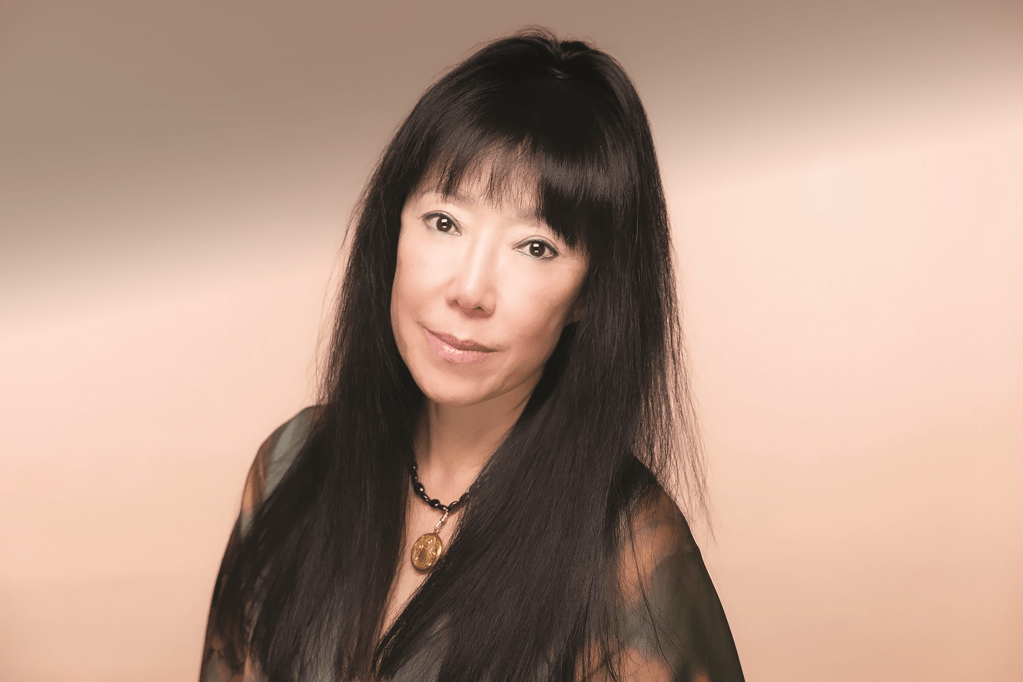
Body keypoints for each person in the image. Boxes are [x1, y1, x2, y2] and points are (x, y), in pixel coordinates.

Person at [200, 29, 744, 682]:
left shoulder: (632, 553)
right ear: (391, 228)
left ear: (590, 294)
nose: (469, 291)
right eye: (445, 222)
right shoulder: (293, 462)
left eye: (535, 247)